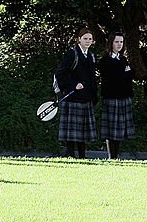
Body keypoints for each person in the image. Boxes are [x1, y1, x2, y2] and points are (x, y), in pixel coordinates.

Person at [55, 27, 98, 158]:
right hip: (73, 96)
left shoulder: (91, 55)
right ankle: (70, 154)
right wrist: (73, 84)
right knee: (72, 131)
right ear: (79, 39)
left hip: (86, 97)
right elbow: (60, 73)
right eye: (85, 38)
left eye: (90, 39)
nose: (88, 41)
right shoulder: (72, 54)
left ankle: (82, 155)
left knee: (83, 130)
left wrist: (94, 95)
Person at [97, 32, 135, 159]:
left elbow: (130, 75)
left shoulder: (123, 59)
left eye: (121, 42)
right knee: (111, 129)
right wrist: (123, 73)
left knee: (120, 129)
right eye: (117, 42)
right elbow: (111, 78)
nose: (119, 44)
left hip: (124, 97)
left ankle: (116, 155)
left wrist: (124, 74)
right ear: (111, 43)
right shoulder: (105, 60)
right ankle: (111, 156)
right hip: (111, 97)